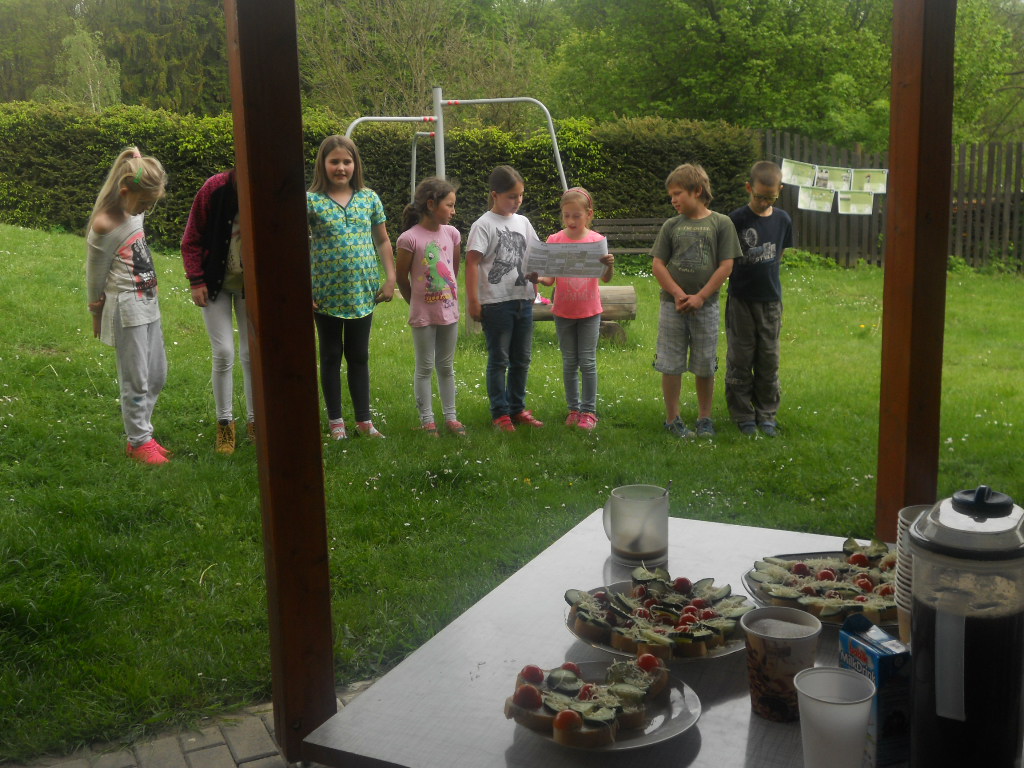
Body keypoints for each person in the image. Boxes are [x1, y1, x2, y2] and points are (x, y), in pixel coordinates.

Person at [306, 135, 396, 439]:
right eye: (334, 161)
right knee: (331, 355)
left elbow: (382, 240)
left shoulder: (369, 198)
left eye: (347, 161)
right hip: (325, 293)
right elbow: (297, 246)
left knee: (359, 356)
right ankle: (336, 422)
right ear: (323, 165)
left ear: (355, 164)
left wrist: (390, 277)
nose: (341, 167)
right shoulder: (310, 201)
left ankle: (363, 421)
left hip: (362, 292)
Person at [85, 146, 170, 464]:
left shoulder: (134, 207)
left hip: (149, 302)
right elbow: (94, 276)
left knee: (157, 374)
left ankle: (144, 433)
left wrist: (137, 158)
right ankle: (138, 441)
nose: (147, 209)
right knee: (136, 379)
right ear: (124, 192)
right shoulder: (105, 224)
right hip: (127, 308)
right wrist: (96, 314)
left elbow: (138, 178)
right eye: (146, 203)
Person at [651, 163, 741, 439]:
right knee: (671, 363)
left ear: (697, 191)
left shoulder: (721, 223)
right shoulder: (671, 226)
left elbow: (726, 265)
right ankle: (672, 418)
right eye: (671, 195)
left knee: (704, 363)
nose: (673, 200)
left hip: (707, 307)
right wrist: (679, 294)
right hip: (672, 306)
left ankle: (705, 418)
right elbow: (658, 265)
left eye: (678, 193)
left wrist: (701, 297)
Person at [181, 169, 254, 454]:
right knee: (224, 352)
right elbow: (191, 238)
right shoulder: (214, 188)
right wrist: (196, 280)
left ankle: (256, 422)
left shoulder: (267, 190)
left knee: (252, 354)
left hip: (252, 288)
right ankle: (225, 424)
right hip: (214, 285)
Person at [465, 165, 543, 432]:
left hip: (523, 300)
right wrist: (473, 301)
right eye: (511, 196)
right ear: (495, 195)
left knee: (522, 359)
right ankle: (500, 413)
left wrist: (537, 281)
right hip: (496, 303)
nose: (517, 201)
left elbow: (535, 255)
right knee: (499, 360)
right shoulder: (483, 225)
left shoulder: (524, 223)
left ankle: (517, 408)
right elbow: (472, 263)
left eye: (520, 195)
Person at [536, 187, 614, 431]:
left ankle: (589, 411)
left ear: (589, 214)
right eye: (566, 215)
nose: (570, 220)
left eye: (576, 216)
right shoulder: (555, 240)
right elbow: (549, 279)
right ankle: (573, 409)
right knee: (569, 362)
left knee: (587, 362)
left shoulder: (596, 241)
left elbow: (606, 278)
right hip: (563, 311)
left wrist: (609, 265)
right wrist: (535, 276)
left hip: (590, 311)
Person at [726, 161, 793, 437]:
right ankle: (743, 414)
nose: (764, 202)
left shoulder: (783, 220)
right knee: (740, 357)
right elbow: (727, 260)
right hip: (741, 300)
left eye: (771, 198)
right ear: (748, 188)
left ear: (780, 191)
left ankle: (766, 414)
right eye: (759, 196)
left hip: (770, 301)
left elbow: (779, 256)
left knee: (769, 358)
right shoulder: (735, 220)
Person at [395, 177, 466, 437]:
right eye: (450, 205)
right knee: (425, 368)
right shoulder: (408, 239)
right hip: (423, 314)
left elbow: (453, 268)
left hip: (449, 311)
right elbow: (402, 277)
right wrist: (414, 303)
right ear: (431, 204)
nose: (453, 211)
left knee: (446, 367)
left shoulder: (452, 234)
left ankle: (451, 418)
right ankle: (427, 421)